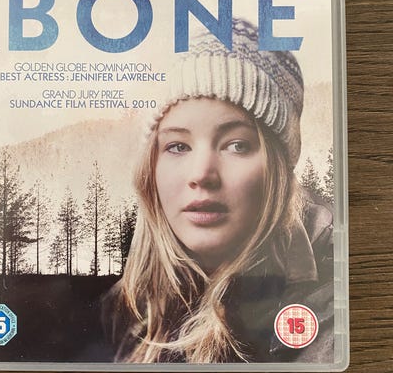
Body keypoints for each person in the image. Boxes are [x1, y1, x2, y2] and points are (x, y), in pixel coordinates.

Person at [103, 19, 334, 364]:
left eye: (237, 145)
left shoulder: (327, 318)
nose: (201, 175)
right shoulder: (129, 314)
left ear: (280, 170)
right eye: (178, 146)